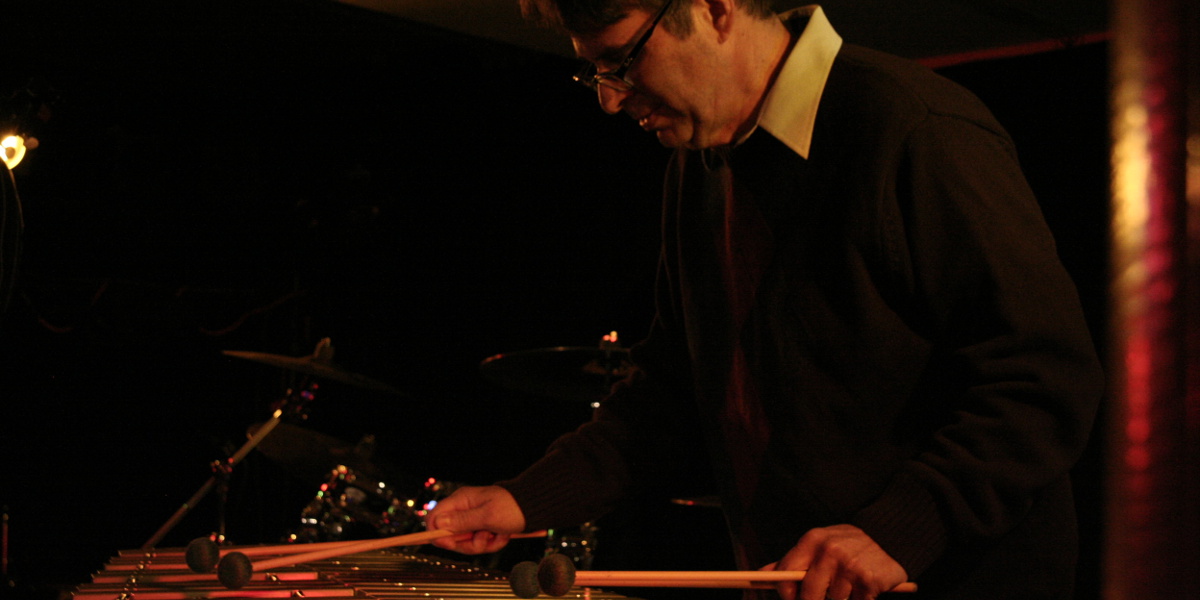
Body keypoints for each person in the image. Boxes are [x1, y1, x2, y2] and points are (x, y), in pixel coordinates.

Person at [425, 1, 1105, 599]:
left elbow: (1045, 379)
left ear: (717, 9)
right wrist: (523, 499)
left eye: (623, 60)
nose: (609, 98)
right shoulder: (697, 172)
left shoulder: (913, 126)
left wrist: (898, 528)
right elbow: (674, 400)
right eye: (594, 72)